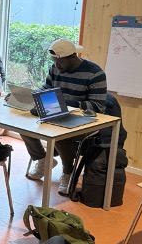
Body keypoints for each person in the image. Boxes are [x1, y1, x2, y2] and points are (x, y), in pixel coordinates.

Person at [22, 39, 107, 195]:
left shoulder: (95, 73)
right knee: (23, 123)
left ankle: (68, 172)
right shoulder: (55, 69)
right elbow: (45, 88)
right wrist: (29, 96)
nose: (56, 65)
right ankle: (43, 160)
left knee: (59, 132)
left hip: (86, 122)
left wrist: (65, 102)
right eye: (54, 61)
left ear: (73, 57)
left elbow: (98, 106)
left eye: (59, 61)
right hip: (56, 112)